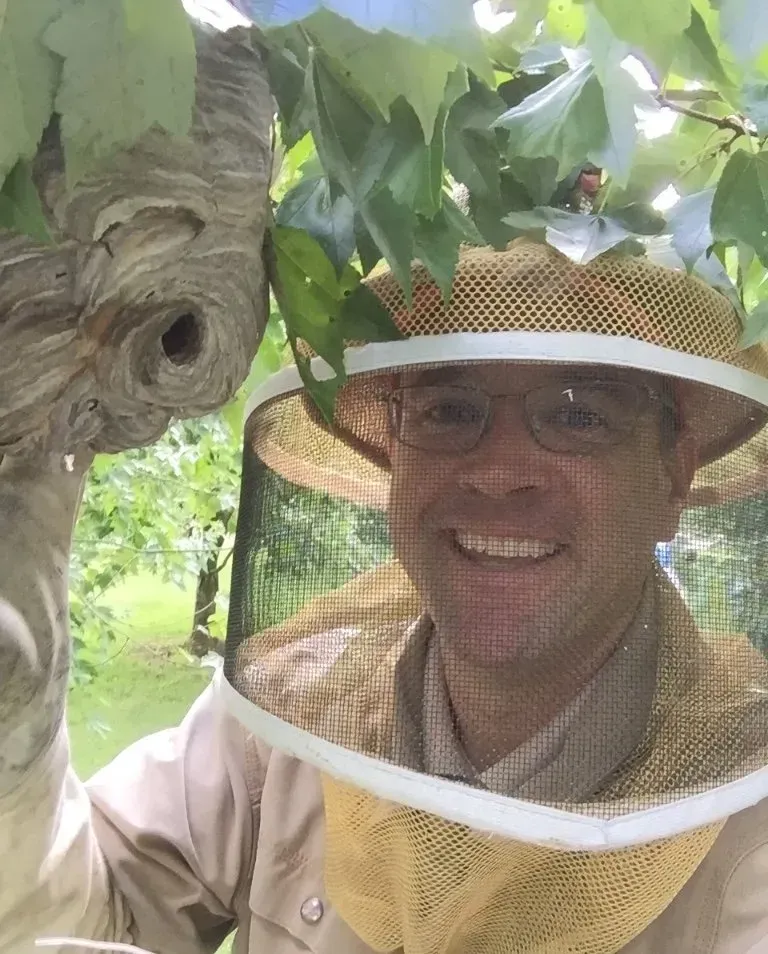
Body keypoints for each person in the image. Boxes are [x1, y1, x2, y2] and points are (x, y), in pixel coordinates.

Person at [2, 239, 768, 954]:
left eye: (578, 414)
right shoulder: (291, 710)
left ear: (672, 474)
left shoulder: (750, 824)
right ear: (394, 454)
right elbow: (84, 909)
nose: (500, 474)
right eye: (449, 409)